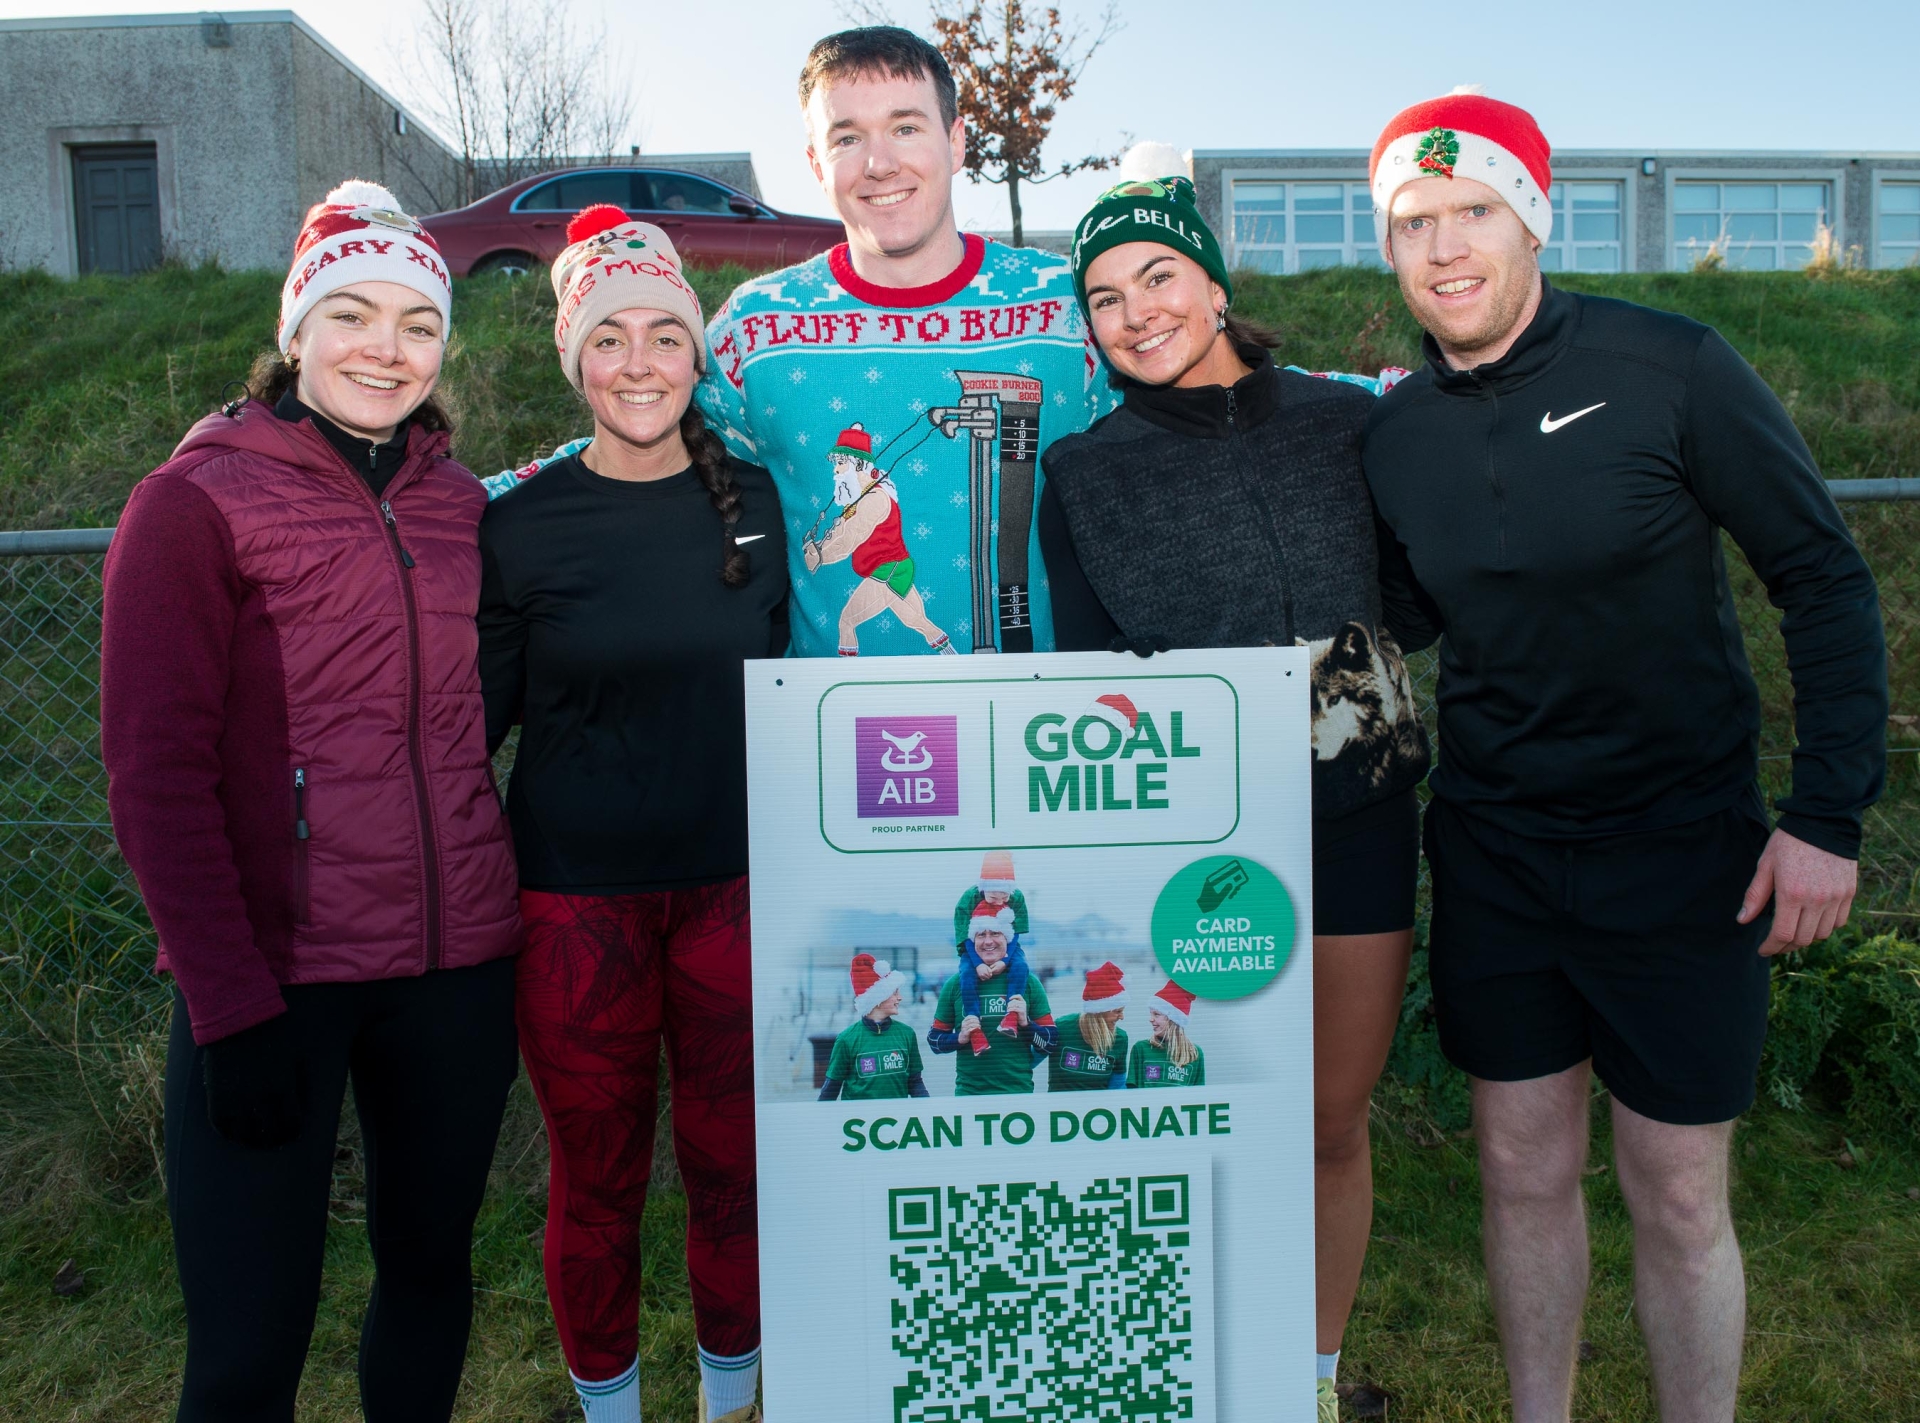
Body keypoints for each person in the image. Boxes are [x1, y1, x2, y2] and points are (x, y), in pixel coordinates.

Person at [1362, 91, 1886, 1423]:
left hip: (1682, 851)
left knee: (1678, 1187)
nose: (1445, 248)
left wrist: (1828, 814)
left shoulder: (1673, 365)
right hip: (1496, 853)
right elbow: (1397, 618)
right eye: (1413, 222)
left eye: (1474, 210)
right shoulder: (1397, 432)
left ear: (1534, 221)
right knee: (1518, 1167)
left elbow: (1823, 578)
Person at [100, 180, 521, 1423]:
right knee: (247, 1348)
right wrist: (229, 1005)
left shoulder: (463, 505)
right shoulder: (192, 501)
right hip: (275, 980)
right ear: (295, 330)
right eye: (352, 315)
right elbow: (154, 776)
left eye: (417, 323)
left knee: (430, 1280)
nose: (385, 349)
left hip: (454, 970)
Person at [1038, 163, 1429, 1417]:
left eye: (1158, 275)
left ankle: (1307, 1376)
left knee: (1328, 1121)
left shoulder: (1344, 422)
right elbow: (1089, 672)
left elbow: (1412, 595)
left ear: (1213, 284)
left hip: (1359, 816)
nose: (1136, 311)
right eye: (1105, 297)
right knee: (1192, 1115)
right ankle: (1199, 1368)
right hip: (1197, 839)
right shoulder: (1083, 470)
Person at [478, 206, 788, 1423]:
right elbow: (468, 726)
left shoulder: (759, 507)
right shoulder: (521, 524)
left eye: (667, 334)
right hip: (573, 907)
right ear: (576, 360)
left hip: (737, 893)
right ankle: (609, 1407)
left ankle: (732, 1398)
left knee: (733, 1168)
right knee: (597, 1177)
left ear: (698, 355)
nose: (641, 362)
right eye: (611, 338)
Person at [693, 25, 1119, 657]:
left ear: (956, 140)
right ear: (816, 164)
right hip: (836, 715)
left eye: (906, 127)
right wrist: (524, 489)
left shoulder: (1069, 307)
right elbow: (654, 460)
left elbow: (1192, 411)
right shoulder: (753, 330)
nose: (880, 163)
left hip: (1036, 708)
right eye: (847, 138)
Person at [928, 904, 1058, 1094]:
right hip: (969, 1096)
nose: (988, 941)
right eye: (981, 935)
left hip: (1018, 1094)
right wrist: (960, 1038)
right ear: (973, 940)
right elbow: (934, 1042)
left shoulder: (1029, 983)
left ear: (1008, 938)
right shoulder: (955, 984)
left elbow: (1050, 1043)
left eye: (995, 933)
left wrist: (1026, 1024)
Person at [951, 850, 1032, 1048]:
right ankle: (974, 1025)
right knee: (967, 974)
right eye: (994, 897)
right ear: (983, 888)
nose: (999, 903)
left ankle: (1011, 1016)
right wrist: (977, 964)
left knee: (1021, 966)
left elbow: (1016, 932)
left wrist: (1005, 960)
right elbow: (965, 935)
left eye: (1004, 897)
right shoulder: (968, 899)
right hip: (974, 945)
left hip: (1007, 943)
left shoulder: (1017, 896)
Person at [819, 954, 929, 1100]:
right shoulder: (846, 1039)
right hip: (860, 1114)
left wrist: (928, 1108)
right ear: (878, 998)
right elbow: (831, 1088)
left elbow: (915, 1082)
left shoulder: (907, 1034)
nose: (900, 997)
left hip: (899, 1114)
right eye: (894, 992)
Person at [1048, 962, 1130, 1092]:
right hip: (1060, 1105)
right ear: (1100, 1012)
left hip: (1100, 1105)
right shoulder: (1062, 1027)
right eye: (1117, 1011)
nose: (1122, 1017)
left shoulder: (1120, 1038)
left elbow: (1117, 1086)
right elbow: (1030, 1060)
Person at [1126, 982, 1205, 1088]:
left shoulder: (1195, 1053)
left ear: (1173, 1019)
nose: (1151, 1019)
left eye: (1156, 1014)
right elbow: (1131, 1092)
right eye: (1151, 1014)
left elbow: (1199, 1094)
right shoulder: (1141, 1048)